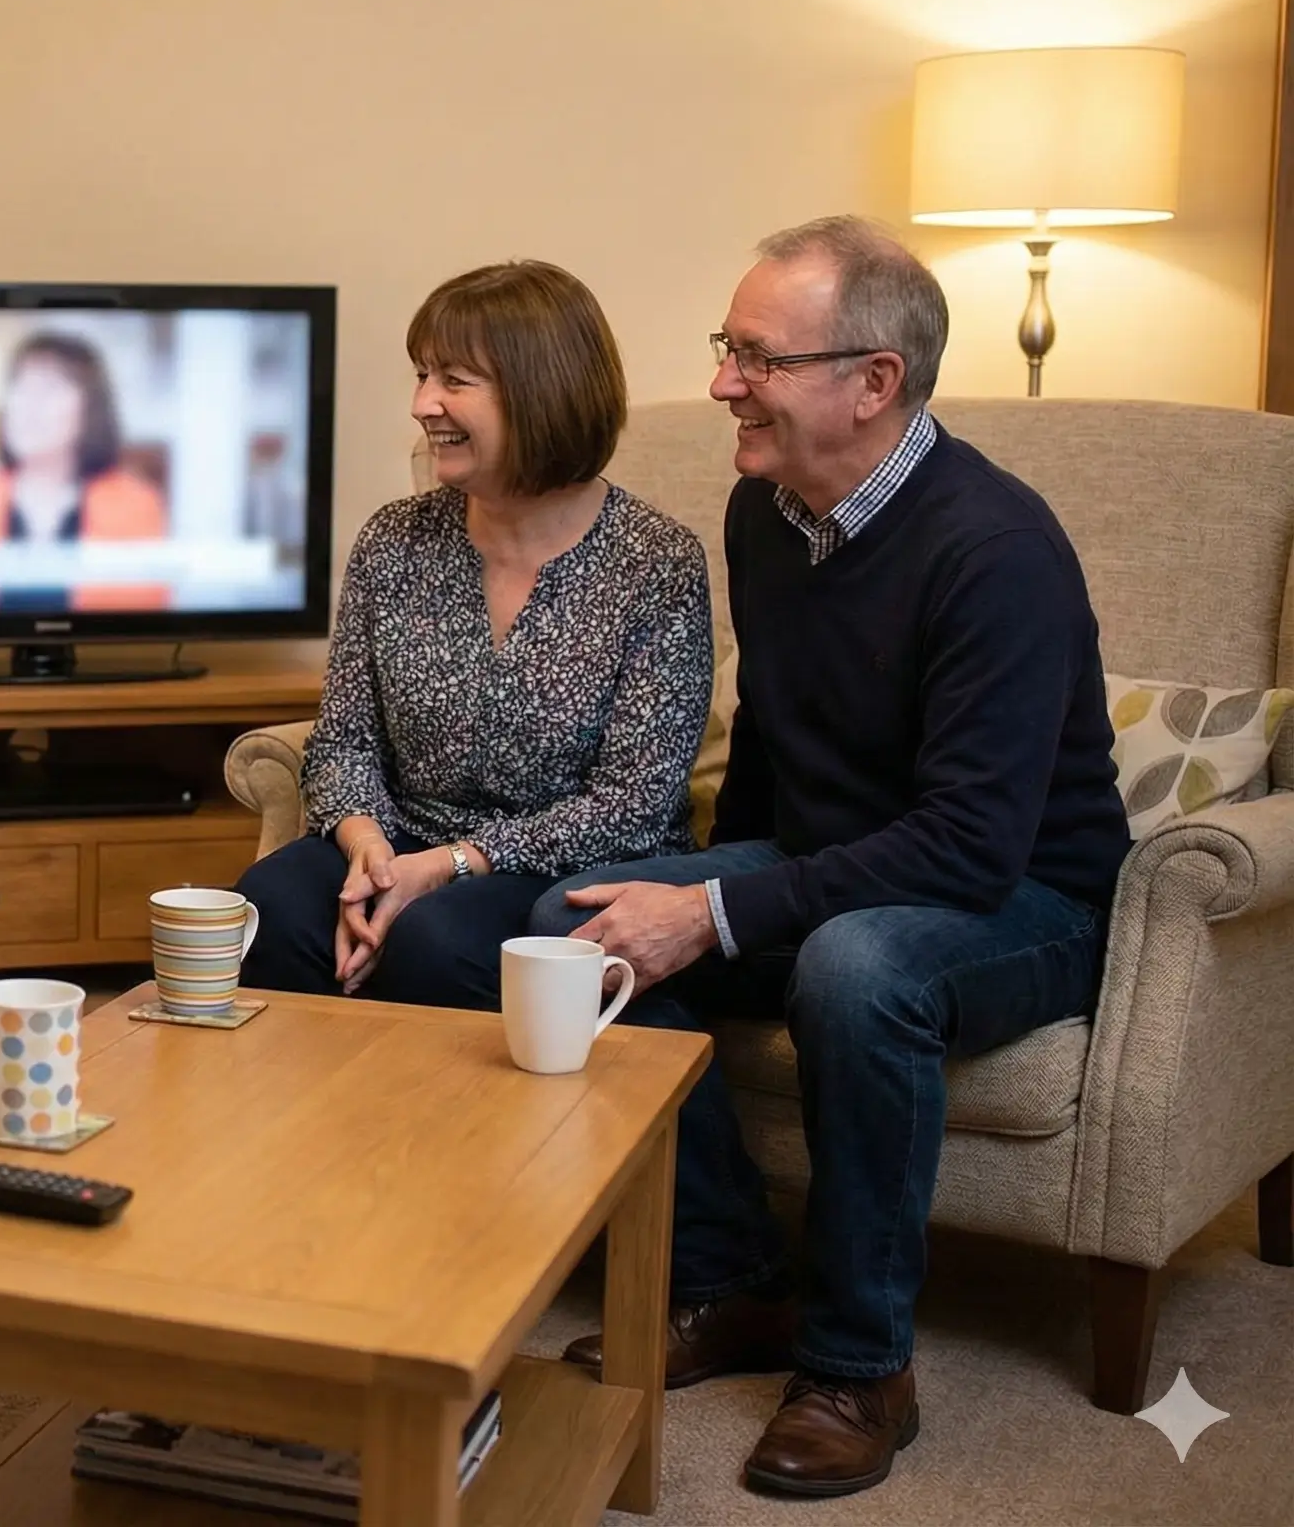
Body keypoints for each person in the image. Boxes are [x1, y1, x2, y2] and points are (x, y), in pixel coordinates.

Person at [537, 218, 1130, 1498]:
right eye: (724, 348)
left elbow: (972, 845)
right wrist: (685, 891)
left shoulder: (994, 550)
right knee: (577, 915)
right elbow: (769, 747)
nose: (717, 384)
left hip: (1026, 901)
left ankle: (859, 1366)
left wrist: (720, 915)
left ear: (872, 382)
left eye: (754, 356)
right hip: (843, 862)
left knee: (857, 969)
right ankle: (730, 1278)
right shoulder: (767, 513)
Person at [234, 261, 711, 1010]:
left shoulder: (656, 563)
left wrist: (455, 863)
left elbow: (633, 804)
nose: (424, 404)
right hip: (400, 842)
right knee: (272, 908)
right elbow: (346, 740)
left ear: (541, 391)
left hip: (560, 868)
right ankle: (321, 1122)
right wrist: (369, 852)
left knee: (436, 939)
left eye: (454, 380)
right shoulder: (395, 539)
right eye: (422, 376)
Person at [0, 331, 169, 612]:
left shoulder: (136, 507)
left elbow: (139, 626)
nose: (28, 404)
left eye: (50, 388)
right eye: (20, 386)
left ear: (90, 408)